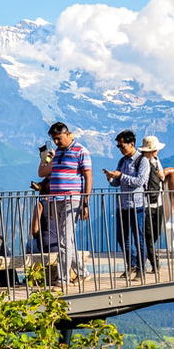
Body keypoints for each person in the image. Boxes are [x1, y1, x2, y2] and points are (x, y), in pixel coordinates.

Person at [38, 122, 92, 285]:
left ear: (68, 134)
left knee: (64, 239)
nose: (56, 142)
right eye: (54, 139)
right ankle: (83, 272)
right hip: (56, 199)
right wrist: (46, 158)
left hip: (72, 199)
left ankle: (63, 278)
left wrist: (85, 202)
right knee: (66, 239)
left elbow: (88, 177)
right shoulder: (57, 153)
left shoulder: (81, 151)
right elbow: (42, 172)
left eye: (59, 138)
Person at [104, 130, 150, 281]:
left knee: (139, 238)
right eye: (118, 146)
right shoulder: (122, 161)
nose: (120, 149)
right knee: (122, 238)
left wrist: (121, 176)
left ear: (132, 144)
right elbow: (117, 183)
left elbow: (139, 181)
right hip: (123, 205)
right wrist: (111, 178)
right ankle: (132, 264)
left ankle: (141, 270)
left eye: (122, 146)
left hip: (137, 205)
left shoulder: (142, 161)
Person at [139, 135, 166, 273]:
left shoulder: (156, 160)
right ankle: (154, 263)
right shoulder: (143, 162)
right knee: (149, 235)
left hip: (158, 201)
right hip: (147, 202)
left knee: (155, 233)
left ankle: (143, 258)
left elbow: (162, 175)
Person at [27, 179, 57, 254]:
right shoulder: (59, 204)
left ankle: (31, 265)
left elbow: (34, 229)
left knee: (29, 245)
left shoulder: (40, 205)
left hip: (46, 245)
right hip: (59, 244)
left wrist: (38, 236)